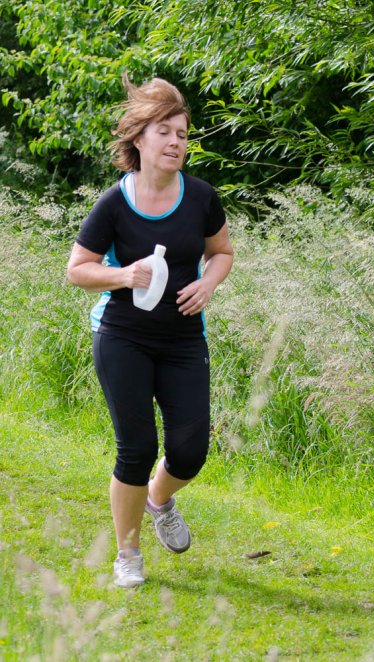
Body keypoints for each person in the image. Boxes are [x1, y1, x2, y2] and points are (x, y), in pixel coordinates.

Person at [67, 76, 233, 588]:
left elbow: (222, 253)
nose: (176, 142)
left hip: (183, 339)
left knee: (190, 450)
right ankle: (128, 554)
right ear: (139, 138)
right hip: (122, 336)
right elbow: (78, 270)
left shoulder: (201, 197)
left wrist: (207, 284)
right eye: (165, 132)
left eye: (182, 133)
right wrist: (124, 275)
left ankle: (159, 499)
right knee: (136, 448)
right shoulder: (114, 204)